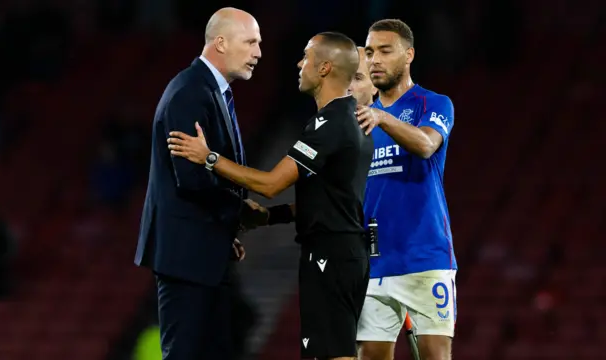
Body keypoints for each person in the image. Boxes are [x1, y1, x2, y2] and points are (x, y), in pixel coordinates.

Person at [168, 32, 374, 360]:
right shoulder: (345, 120)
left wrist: (208, 157)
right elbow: (331, 200)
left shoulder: (332, 124)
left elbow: (269, 184)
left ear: (324, 68)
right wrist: (271, 217)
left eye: (306, 57)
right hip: (337, 251)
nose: (299, 63)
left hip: (333, 255)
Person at [133, 7, 267, 360]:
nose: (258, 53)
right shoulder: (190, 93)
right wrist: (237, 210)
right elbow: (191, 179)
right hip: (187, 258)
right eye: (250, 42)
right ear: (220, 43)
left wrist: (225, 229)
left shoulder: (207, 90)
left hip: (204, 251)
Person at [353, 19, 457, 360]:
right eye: (369, 52)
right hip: (376, 262)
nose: (375, 60)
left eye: (385, 51)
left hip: (425, 257)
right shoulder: (360, 119)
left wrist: (384, 119)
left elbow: (426, 145)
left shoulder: (433, 103)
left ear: (408, 55)